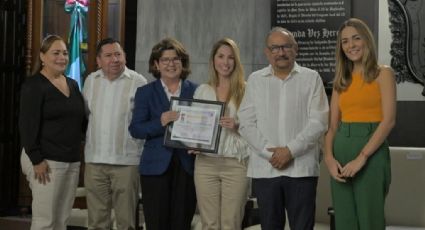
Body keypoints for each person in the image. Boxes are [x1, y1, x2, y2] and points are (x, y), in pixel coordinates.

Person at [238, 27, 329, 230]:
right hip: (265, 170)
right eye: (275, 48)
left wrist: (290, 151)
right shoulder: (255, 80)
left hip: (301, 169)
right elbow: (245, 122)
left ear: (295, 49)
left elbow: (319, 121)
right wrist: (270, 152)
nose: (281, 52)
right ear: (267, 52)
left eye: (286, 46)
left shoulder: (311, 78)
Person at [324, 18, 396, 230]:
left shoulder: (383, 74)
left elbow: (389, 121)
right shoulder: (341, 80)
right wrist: (328, 158)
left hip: (371, 152)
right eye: (345, 41)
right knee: (345, 221)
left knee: (369, 220)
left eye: (356, 38)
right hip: (340, 152)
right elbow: (333, 128)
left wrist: (362, 158)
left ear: (367, 40)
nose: (351, 45)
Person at [129, 38, 198, 230]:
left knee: (182, 223)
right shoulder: (145, 92)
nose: (171, 64)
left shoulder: (197, 90)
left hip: (187, 166)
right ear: (156, 64)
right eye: (165, 60)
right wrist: (161, 121)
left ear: (182, 62)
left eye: (175, 59)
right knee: (156, 223)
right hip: (155, 168)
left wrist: (200, 144)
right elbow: (136, 129)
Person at [19, 35, 86, 230]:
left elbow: (80, 121)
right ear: (42, 56)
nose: (62, 57)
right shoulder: (34, 86)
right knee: (45, 221)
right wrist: (36, 159)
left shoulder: (72, 84)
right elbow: (27, 125)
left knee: (62, 219)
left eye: (64, 53)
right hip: (45, 161)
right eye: (55, 53)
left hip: (70, 160)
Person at [82, 38, 147, 230]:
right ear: (99, 60)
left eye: (118, 54)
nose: (115, 59)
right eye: (108, 55)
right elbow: (87, 116)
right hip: (95, 161)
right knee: (96, 222)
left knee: (126, 222)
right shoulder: (90, 81)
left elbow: (142, 121)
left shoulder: (139, 81)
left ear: (125, 56)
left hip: (126, 163)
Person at [193, 38, 249, 229]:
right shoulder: (202, 90)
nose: (225, 62)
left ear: (236, 61)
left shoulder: (247, 91)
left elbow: (259, 130)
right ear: (213, 60)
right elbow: (195, 127)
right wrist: (192, 142)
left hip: (236, 165)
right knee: (209, 223)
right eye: (221, 56)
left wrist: (238, 126)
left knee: (231, 223)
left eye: (230, 58)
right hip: (205, 164)